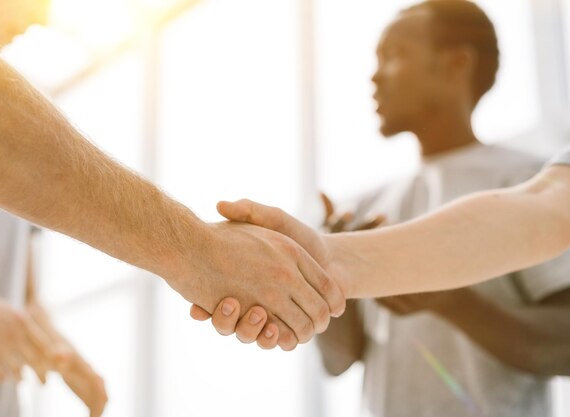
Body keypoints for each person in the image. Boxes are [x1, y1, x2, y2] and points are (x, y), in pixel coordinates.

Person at [0, 1, 346, 390]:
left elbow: (24, 294)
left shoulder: (11, 121)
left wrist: (57, 349)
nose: (37, 16)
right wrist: (201, 252)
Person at [193, 11, 570, 411]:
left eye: (395, 55)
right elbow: (337, 361)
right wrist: (331, 286)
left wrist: (454, 304)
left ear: (456, 63)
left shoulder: (526, 180)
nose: (376, 77)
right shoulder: (368, 208)